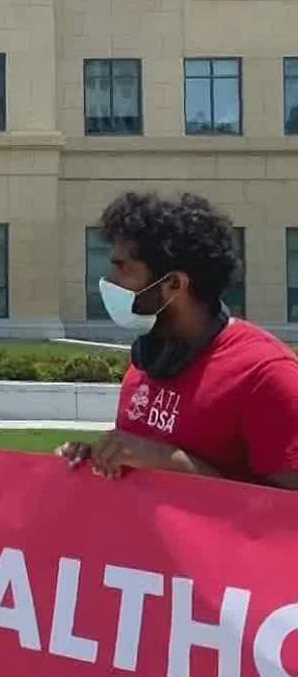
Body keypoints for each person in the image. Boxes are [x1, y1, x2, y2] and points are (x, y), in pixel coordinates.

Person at [59, 191, 298, 489]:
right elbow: (140, 465)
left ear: (174, 283)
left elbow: (286, 515)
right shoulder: (147, 362)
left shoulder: (266, 374)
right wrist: (99, 458)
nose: (110, 280)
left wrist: (171, 463)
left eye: (122, 268)